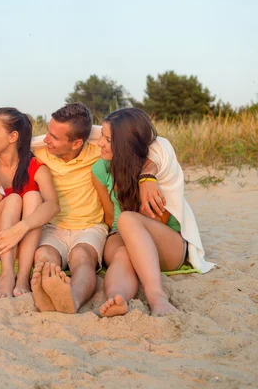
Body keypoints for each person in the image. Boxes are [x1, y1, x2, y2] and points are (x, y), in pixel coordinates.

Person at [29, 103, 166, 314]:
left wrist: (148, 174)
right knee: (44, 255)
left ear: (77, 143)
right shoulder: (40, 153)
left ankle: (72, 300)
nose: (46, 139)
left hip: (89, 228)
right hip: (54, 227)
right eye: (48, 132)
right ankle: (47, 293)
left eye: (54, 137)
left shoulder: (98, 154)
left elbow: (151, 150)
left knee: (82, 258)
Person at [92, 108, 212, 316]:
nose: (100, 142)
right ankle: (117, 297)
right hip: (120, 237)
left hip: (166, 244)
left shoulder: (159, 167)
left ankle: (157, 297)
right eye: (101, 135)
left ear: (126, 143)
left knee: (128, 220)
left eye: (108, 139)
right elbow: (111, 218)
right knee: (122, 252)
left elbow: (161, 219)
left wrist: (144, 180)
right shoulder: (100, 170)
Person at [0, 108, 59, 298]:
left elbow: (53, 205)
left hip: (18, 242)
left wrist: (22, 227)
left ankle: (22, 277)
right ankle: (7, 275)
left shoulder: (35, 168)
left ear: (13, 136)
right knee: (13, 199)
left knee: (33, 197)